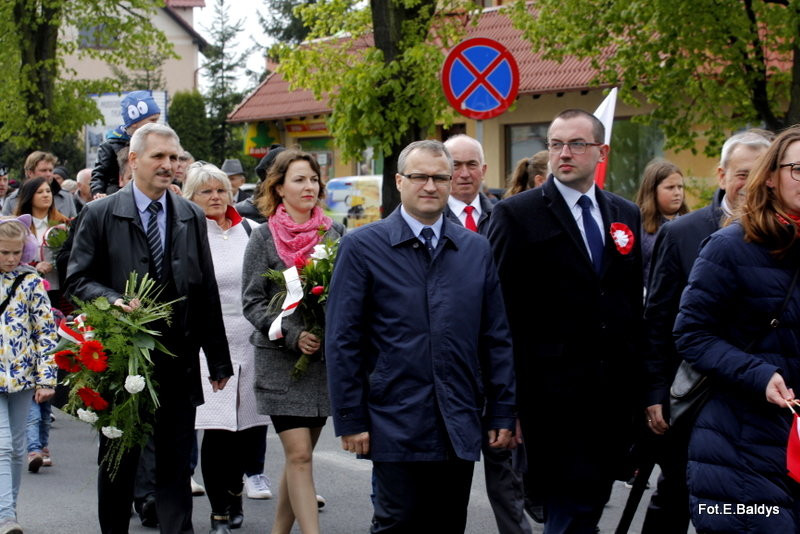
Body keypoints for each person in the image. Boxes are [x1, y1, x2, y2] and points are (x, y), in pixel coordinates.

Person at [326, 140, 516, 533]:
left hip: (458, 418)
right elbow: (343, 339)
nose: (430, 186)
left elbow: (495, 337)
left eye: (439, 177)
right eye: (419, 177)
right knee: (398, 523)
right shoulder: (362, 247)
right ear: (399, 181)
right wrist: (350, 418)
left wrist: (501, 410)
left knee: (447, 524)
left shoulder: (475, 249)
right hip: (393, 417)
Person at [65, 123, 233, 534]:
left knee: (175, 464)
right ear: (134, 161)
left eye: (174, 157)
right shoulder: (100, 213)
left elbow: (204, 287)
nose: (169, 165)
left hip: (178, 357)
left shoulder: (190, 215)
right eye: (159, 156)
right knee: (120, 461)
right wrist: (112, 299)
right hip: (123, 360)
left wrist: (218, 357)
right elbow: (77, 279)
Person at [489, 109, 644, 534]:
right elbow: (501, 315)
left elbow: (631, 306)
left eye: (577, 144)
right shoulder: (517, 215)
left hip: (612, 398)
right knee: (566, 511)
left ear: (601, 151)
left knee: (590, 506)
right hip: (549, 398)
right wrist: (508, 403)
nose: (564, 153)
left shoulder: (623, 213)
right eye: (556, 144)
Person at [641, 129, 771, 534]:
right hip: (695, 397)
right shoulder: (682, 233)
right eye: (741, 173)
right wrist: (654, 392)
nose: (749, 184)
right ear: (720, 175)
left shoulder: (785, 233)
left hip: (761, 397)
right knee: (679, 492)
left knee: (756, 502)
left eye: (759, 173)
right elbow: (658, 320)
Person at [672, 126, 800, 532]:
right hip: (738, 444)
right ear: (770, 177)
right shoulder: (729, 245)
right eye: (798, 169)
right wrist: (758, 374)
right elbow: (691, 333)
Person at [241, 149, 342, 534]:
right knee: (299, 455)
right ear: (279, 188)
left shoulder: (333, 234)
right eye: (299, 179)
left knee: (299, 458)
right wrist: (293, 334)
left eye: (314, 179)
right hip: (281, 364)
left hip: (320, 366)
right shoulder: (263, 236)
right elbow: (251, 302)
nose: (309, 186)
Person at [443, 134, 531, 534]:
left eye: (470, 165)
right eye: (455, 165)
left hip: (499, 365)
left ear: (484, 170)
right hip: (450, 368)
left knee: (506, 475)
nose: (463, 173)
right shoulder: (428, 218)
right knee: (446, 486)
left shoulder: (508, 216)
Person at [183, 163, 270, 533]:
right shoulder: (186, 234)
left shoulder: (251, 230)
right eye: (206, 191)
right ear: (191, 198)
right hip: (209, 344)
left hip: (250, 341)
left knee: (247, 430)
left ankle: (234, 497)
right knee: (218, 430)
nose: (216, 197)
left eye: (221, 190)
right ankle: (220, 511)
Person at [0, 215, 57, 534]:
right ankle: (6, 517)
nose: (10, 258)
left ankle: (9, 509)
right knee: (3, 444)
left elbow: (46, 332)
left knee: (19, 448)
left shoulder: (31, 281)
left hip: (22, 375)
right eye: (3, 252)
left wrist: (47, 378)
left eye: (15, 252)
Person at [12, 177, 68, 473]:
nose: (46, 195)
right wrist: (33, 267)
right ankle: (34, 446)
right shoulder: (18, 228)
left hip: (56, 295)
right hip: (25, 302)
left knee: (47, 366)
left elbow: (73, 256)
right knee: (33, 386)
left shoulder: (62, 223)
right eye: (41, 191)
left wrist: (56, 263)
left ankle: (38, 442)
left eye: (50, 191)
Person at [90, 91, 161, 196]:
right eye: (152, 120)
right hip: (117, 197)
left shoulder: (154, 143)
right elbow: (100, 174)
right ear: (135, 121)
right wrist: (98, 192)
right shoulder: (110, 145)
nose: (155, 125)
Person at [634, 159, 688, 285]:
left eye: (680, 187)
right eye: (670, 187)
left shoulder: (691, 223)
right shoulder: (636, 225)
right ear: (652, 191)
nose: (677, 193)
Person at [2, 152, 76, 218]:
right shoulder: (12, 200)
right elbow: (6, 230)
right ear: (30, 173)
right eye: (43, 170)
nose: (49, 174)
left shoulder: (66, 197)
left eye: (50, 170)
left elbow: (74, 228)